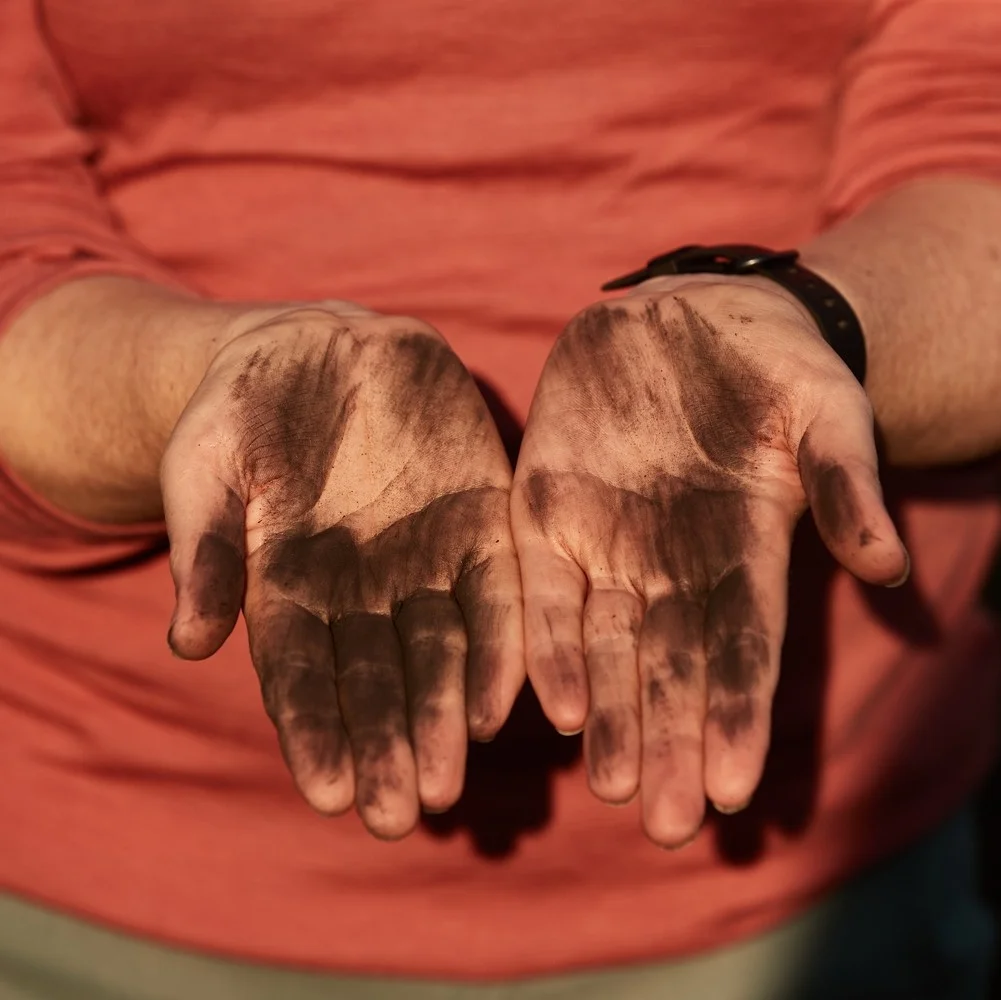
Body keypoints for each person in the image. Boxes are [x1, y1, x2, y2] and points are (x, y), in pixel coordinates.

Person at [0, 0, 999, 997]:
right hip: (118, 877)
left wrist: (808, 326)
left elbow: (971, 129)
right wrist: (200, 386)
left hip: (799, 879)